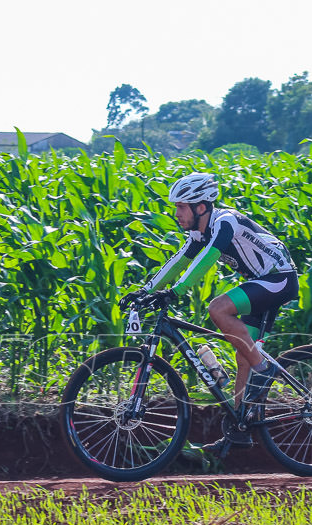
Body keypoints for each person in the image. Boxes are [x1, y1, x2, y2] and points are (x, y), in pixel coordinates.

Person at [121, 172, 299, 452]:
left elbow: (208, 258)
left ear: (200, 207)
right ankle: (239, 430)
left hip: (279, 279)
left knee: (218, 308)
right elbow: (180, 259)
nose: (176, 213)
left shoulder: (225, 222)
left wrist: (175, 291)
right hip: (260, 282)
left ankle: (264, 371)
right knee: (244, 357)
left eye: (181, 207)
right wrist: (146, 290)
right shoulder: (199, 232)